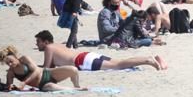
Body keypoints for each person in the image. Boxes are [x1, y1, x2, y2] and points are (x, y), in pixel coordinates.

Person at [35, 30, 166, 71]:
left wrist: (34, 67)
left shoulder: (49, 47)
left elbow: (47, 68)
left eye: (38, 41)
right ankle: (150, 58)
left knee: (119, 65)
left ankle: (148, 60)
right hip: (86, 55)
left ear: (46, 42)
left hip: (82, 61)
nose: (37, 44)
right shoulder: (58, 45)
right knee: (120, 62)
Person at [0, 46, 82, 91]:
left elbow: (37, 70)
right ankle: (75, 90)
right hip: (42, 85)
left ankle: (77, 86)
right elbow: (9, 86)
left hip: (48, 73)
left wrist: (24, 82)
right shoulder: (11, 73)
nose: (10, 64)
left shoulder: (24, 59)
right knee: (51, 87)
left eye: (11, 61)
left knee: (73, 70)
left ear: (15, 56)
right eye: (7, 63)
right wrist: (11, 86)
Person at [98, 0, 165, 47]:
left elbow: (123, 22)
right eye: (114, 2)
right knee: (146, 40)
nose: (117, 4)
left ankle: (144, 32)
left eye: (118, 2)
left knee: (132, 17)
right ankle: (149, 38)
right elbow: (106, 29)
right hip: (109, 38)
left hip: (120, 36)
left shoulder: (115, 11)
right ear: (109, 2)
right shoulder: (105, 13)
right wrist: (121, 29)